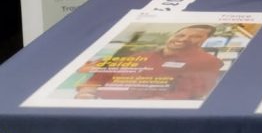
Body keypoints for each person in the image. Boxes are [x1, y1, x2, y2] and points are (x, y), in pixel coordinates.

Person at [75, 25, 222, 100]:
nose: (183, 39)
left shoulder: (208, 62)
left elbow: (192, 93)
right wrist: (86, 93)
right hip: (101, 107)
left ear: (205, 41)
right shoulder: (140, 55)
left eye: (195, 37)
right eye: (180, 34)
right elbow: (100, 78)